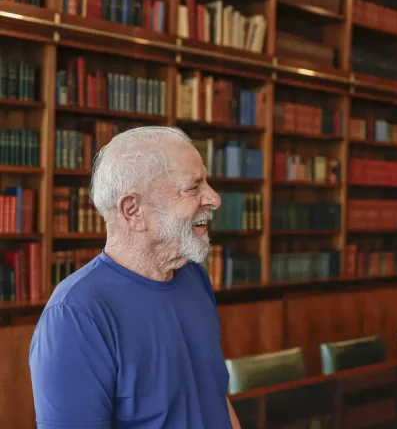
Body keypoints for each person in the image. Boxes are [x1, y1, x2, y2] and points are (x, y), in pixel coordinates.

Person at [29, 126, 241, 428]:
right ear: (133, 210)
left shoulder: (195, 277)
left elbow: (213, 394)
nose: (215, 198)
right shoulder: (75, 314)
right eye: (193, 188)